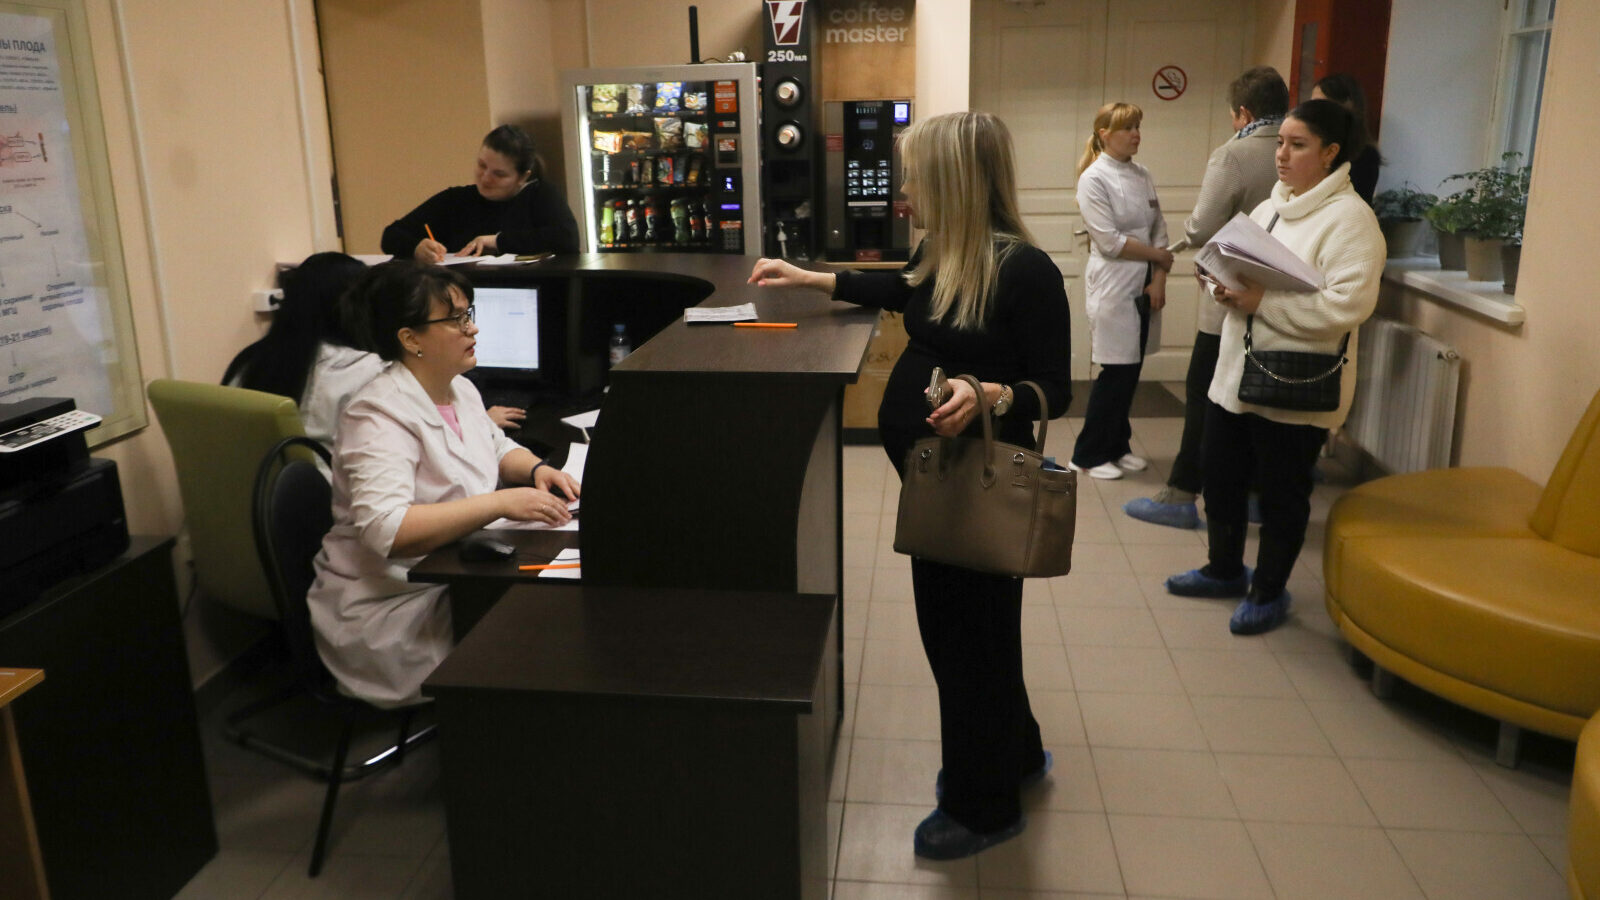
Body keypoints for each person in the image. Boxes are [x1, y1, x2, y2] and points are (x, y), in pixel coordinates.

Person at [748, 111, 1070, 860]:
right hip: (935, 483)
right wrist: (817, 278)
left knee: (965, 644)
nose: (903, 192)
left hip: (975, 489)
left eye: (915, 178)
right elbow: (907, 290)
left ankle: (984, 808)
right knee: (979, 636)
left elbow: (1055, 387)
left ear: (953, 183)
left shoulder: (1026, 271)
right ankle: (1017, 755)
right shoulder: (945, 252)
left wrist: (991, 395)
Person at [306, 261, 580, 707]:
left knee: (552, 605)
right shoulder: (376, 416)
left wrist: (534, 470)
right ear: (410, 339)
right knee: (545, 624)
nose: (471, 329)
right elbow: (387, 529)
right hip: (395, 604)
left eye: (468, 314)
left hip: (452, 572)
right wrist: (499, 503)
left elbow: (495, 446)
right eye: (454, 320)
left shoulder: (458, 389)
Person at [1164, 98, 1384, 636]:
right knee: (1221, 478)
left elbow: (1346, 308)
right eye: (1281, 142)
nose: (1281, 154)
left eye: (1297, 145)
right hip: (1236, 374)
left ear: (1331, 153)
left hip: (1294, 381)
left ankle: (1268, 591)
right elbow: (1241, 275)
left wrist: (1262, 302)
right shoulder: (1269, 207)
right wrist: (1219, 282)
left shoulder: (1352, 221)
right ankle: (1223, 569)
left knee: (1282, 493)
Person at [1125, 67, 1288, 529]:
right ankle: (1253, 494)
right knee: (1259, 401)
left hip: (1230, 293)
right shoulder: (1302, 151)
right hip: (1280, 300)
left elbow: (1201, 226)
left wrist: (1190, 237)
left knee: (1203, 394)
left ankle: (1181, 493)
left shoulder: (1234, 154)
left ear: (1243, 113)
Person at [1070, 102, 1171, 480]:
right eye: (1128, 128)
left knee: (1131, 369)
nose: (1136, 135)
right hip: (1113, 283)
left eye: (1138, 127)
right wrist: (1158, 257)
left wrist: (1158, 277)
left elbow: (1159, 227)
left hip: (1143, 281)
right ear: (1104, 135)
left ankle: (1117, 445)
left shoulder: (1142, 174)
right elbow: (1110, 242)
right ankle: (1087, 455)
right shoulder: (1093, 179)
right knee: (1116, 370)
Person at [222, 252, 377, 449]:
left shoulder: (248, 361)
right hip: (329, 469)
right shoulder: (365, 369)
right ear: (354, 307)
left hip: (255, 468)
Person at [379, 124, 579, 263]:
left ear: (522, 177)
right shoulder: (455, 200)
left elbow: (566, 238)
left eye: (499, 174)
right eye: (482, 166)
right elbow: (391, 235)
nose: (485, 178)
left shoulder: (540, 195)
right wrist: (416, 247)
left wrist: (497, 241)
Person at [1311, 74, 1382, 204]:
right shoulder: (1316, 142)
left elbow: (1355, 201)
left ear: (1346, 107)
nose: (1312, 111)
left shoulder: (1365, 154)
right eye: (1312, 104)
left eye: (1321, 105)